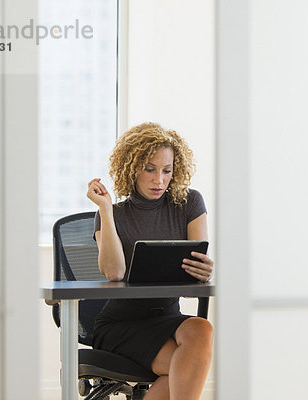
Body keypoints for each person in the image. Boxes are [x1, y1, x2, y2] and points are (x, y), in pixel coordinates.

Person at [86, 122, 214, 400]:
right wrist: (106, 211)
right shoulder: (113, 214)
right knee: (185, 370)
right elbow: (114, 272)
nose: (159, 180)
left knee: (201, 328)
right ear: (132, 168)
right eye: (149, 169)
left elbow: (197, 262)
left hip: (167, 319)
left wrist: (204, 271)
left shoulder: (190, 204)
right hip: (121, 325)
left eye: (166, 171)